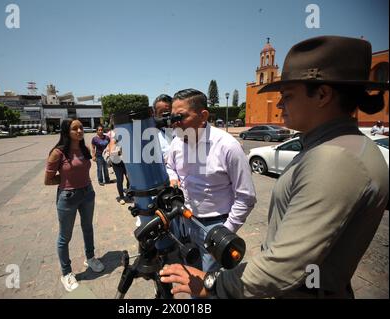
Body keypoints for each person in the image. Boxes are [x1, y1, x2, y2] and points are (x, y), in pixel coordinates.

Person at [160, 36, 389, 299]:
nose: (279, 105)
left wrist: (211, 283)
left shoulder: (336, 158)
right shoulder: (338, 146)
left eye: (287, 96)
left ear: (323, 95)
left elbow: (282, 268)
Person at [165, 88, 257, 272]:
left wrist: (224, 231)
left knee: (210, 284)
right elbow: (170, 166)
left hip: (216, 224)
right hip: (186, 220)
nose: (175, 124)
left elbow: (246, 197)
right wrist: (173, 178)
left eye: (180, 117)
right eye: (172, 117)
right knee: (191, 275)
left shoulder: (228, 147)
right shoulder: (176, 141)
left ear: (203, 115)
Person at [44, 118, 105, 292]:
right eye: (74, 129)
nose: (79, 131)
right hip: (68, 197)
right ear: (66, 132)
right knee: (65, 236)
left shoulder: (85, 150)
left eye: (80, 128)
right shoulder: (58, 153)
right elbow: (47, 180)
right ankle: (66, 273)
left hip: (87, 193)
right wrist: (65, 180)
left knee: (88, 228)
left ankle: (90, 257)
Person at [107, 122, 130, 205]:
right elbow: (111, 152)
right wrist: (120, 151)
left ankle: (129, 194)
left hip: (125, 161)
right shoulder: (113, 139)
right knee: (120, 179)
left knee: (129, 178)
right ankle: (121, 197)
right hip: (116, 163)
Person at [153, 94, 174, 162]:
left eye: (167, 112)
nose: (165, 116)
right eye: (161, 113)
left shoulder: (184, 131)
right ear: (155, 114)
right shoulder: (152, 137)